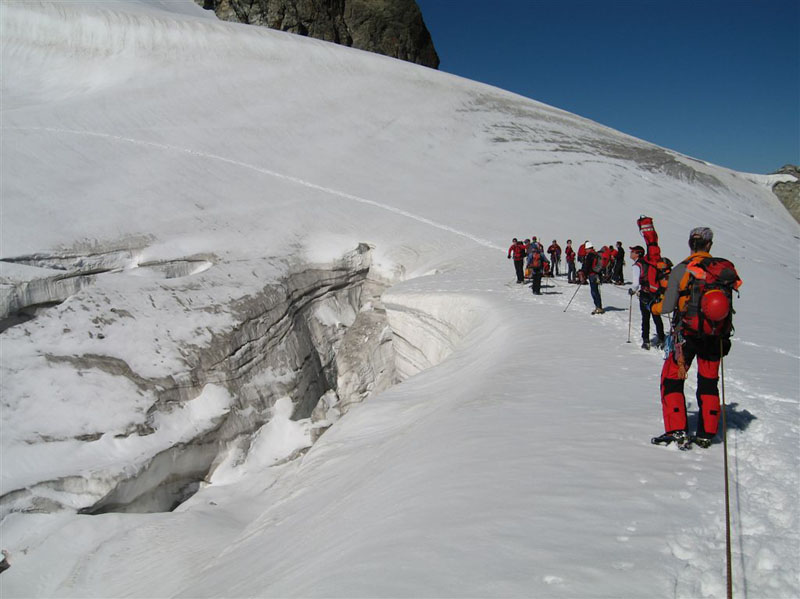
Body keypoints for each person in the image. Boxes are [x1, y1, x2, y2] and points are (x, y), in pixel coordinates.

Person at [651, 227, 742, 448]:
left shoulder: (682, 269)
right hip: (715, 336)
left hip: (687, 336)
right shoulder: (722, 271)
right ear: (709, 244)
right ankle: (706, 433)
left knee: (672, 380)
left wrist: (653, 307)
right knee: (709, 383)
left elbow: (667, 307)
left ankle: (677, 429)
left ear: (690, 243)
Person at [628, 245, 665, 350]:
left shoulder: (637, 266)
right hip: (655, 292)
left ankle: (646, 340)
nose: (631, 253)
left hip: (645, 293)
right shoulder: (649, 263)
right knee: (656, 316)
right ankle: (661, 338)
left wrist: (632, 290)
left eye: (633, 251)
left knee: (645, 317)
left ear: (638, 253)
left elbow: (636, 284)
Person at [581, 242, 604, 314]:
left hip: (592, 275)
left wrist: (584, 274)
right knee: (596, 291)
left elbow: (587, 266)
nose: (585, 250)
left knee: (594, 292)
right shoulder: (596, 254)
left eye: (586, 249)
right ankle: (599, 306)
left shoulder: (590, 255)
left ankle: (598, 307)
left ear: (589, 248)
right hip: (597, 275)